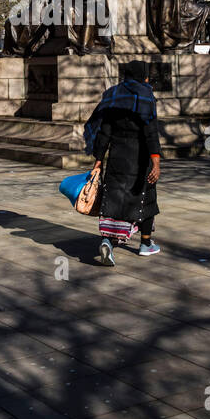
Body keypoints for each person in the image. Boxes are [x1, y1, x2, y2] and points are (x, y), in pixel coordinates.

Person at [85, 60, 161, 265]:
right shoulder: (146, 96)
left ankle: (107, 242)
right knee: (146, 198)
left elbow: (104, 132)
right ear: (142, 76)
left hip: (117, 157)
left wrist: (99, 160)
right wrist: (156, 161)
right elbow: (150, 132)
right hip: (140, 157)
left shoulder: (113, 95)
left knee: (113, 199)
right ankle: (146, 244)